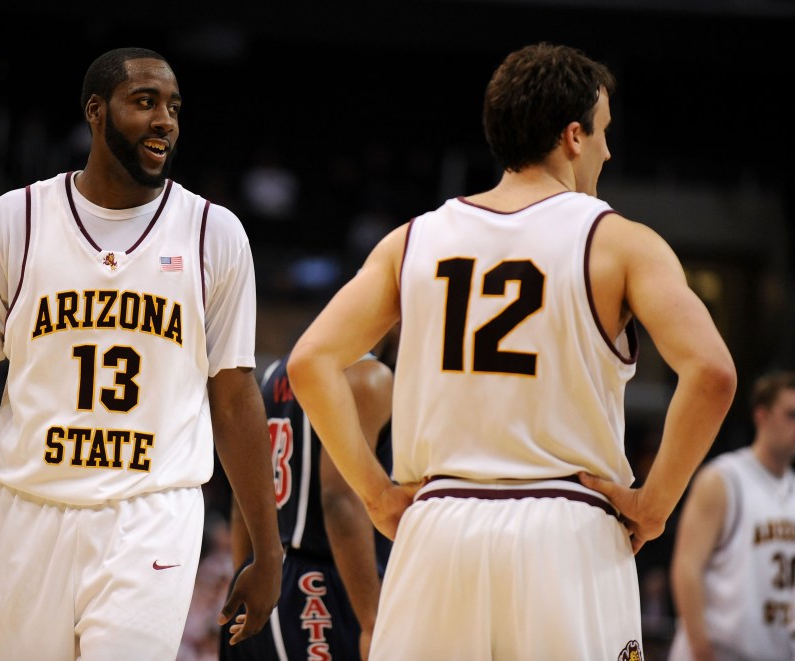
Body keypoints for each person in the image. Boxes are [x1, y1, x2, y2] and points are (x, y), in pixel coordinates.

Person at [286, 41, 737, 660]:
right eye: (603, 132)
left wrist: (378, 494)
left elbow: (311, 362)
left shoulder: (411, 240)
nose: (607, 149)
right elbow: (712, 372)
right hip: (566, 529)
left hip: (437, 527)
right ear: (573, 137)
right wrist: (654, 506)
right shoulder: (620, 242)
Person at [0, 47, 281, 659]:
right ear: (95, 113)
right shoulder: (14, 220)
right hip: (25, 509)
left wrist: (266, 545)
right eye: (145, 102)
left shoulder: (214, 233)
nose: (165, 121)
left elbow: (233, 396)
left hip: (151, 510)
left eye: (174, 107)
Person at [219, 346, 394, 660]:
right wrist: (372, 621)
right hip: (325, 587)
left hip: (266, 576)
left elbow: (242, 496)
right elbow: (338, 501)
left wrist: (250, 576)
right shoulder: (368, 377)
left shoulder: (275, 373)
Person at [668, 370, 795, 661]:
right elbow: (686, 568)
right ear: (761, 416)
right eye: (790, 414)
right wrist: (702, 651)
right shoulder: (724, 478)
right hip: (717, 652)